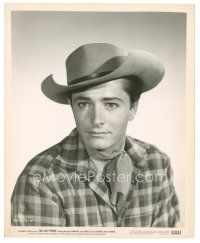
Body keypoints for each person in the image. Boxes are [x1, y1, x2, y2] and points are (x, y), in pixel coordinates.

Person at [11, 43, 180, 227]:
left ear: (133, 108)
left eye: (111, 104)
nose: (97, 119)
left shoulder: (156, 163)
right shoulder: (40, 179)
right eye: (84, 104)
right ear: (72, 106)